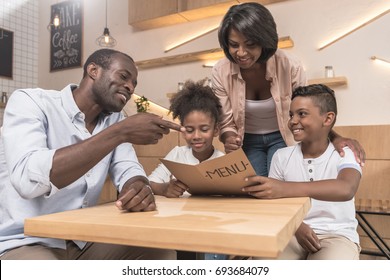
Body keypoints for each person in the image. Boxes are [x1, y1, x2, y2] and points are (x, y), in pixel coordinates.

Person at [0, 48, 183, 260]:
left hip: (83, 238)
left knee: (159, 253)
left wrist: (137, 187)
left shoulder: (114, 121)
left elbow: (128, 169)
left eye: (134, 84)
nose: (130, 87)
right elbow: (27, 181)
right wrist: (120, 132)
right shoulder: (31, 102)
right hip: (26, 240)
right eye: (124, 77)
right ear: (93, 70)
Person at [212, 2, 365, 176]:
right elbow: (225, 122)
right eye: (234, 45)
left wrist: (335, 137)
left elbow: (306, 110)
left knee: (279, 186)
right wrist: (230, 138)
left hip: (284, 136)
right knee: (252, 188)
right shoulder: (220, 71)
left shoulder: (290, 65)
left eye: (250, 44)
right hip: (247, 141)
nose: (241, 53)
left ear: (264, 41)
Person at [243, 84, 362, 259]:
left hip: (337, 236)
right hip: (290, 231)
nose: (292, 121)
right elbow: (274, 204)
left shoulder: (346, 152)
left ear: (328, 119)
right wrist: (297, 227)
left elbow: (346, 188)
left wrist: (283, 189)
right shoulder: (281, 156)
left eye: (302, 114)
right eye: (291, 115)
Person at [148, 80, 226, 260]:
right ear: (182, 131)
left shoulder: (223, 161)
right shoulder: (177, 154)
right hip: (179, 229)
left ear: (216, 130)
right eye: (189, 130)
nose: (196, 136)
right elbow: (150, 183)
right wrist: (165, 188)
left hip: (213, 229)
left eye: (204, 129)